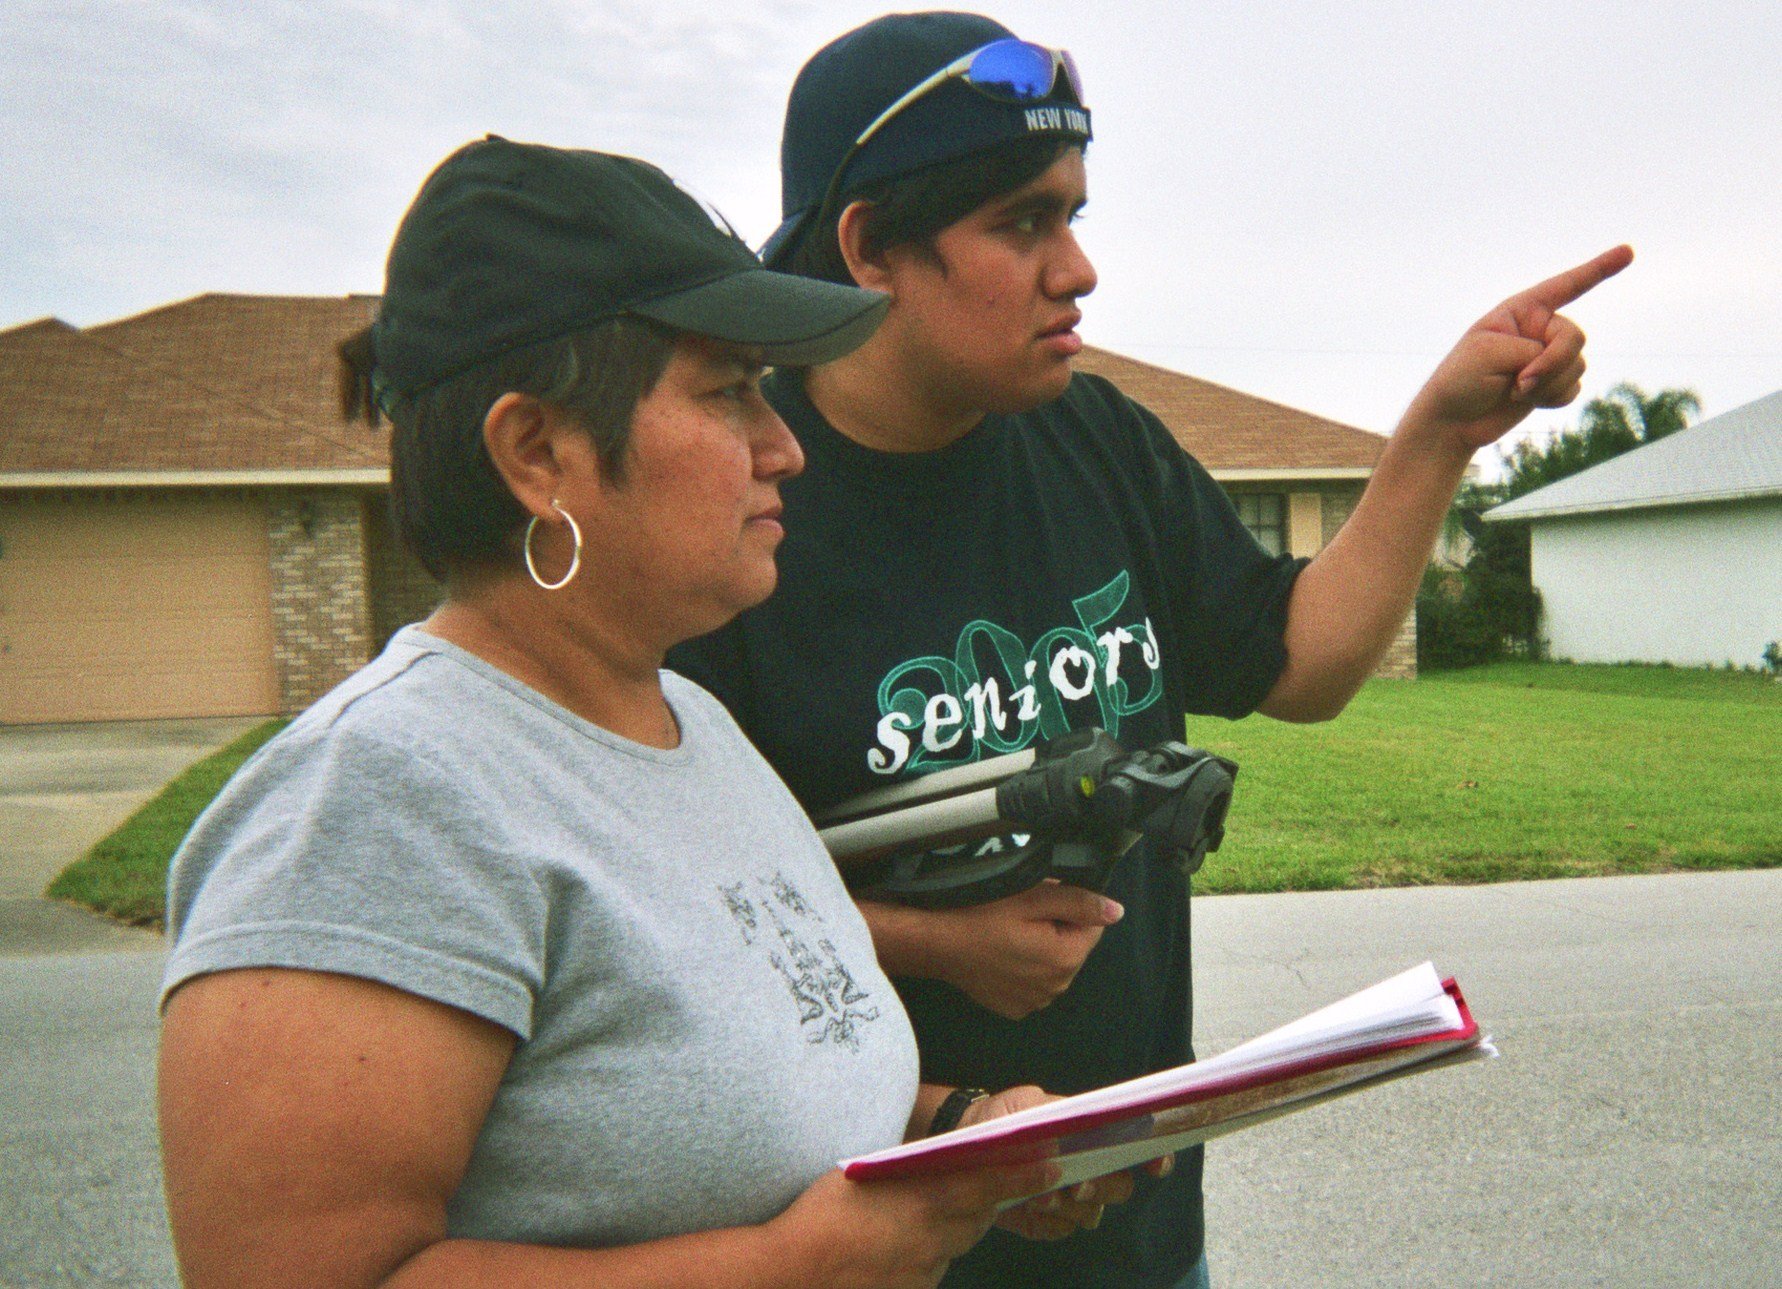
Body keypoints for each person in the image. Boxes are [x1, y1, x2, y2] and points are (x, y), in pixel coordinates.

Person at [667, 13, 1631, 1288]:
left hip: (1138, 1241)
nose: (1080, 268)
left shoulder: (1095, 438)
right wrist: (936, 941)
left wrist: (1443, 431)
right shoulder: (738, 505)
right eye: (1023, 224)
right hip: (878, 1251)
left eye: (1073, 214)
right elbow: (663, 915)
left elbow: (1303, 659)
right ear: (871, 249)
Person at [156, 136, 1121, 1289]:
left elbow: (701, 1100)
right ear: (537, 451)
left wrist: (956, 1130)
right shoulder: (378, 795)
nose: (785, 445)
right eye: (730, 391)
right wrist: (782, 1270)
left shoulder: (692, 727)